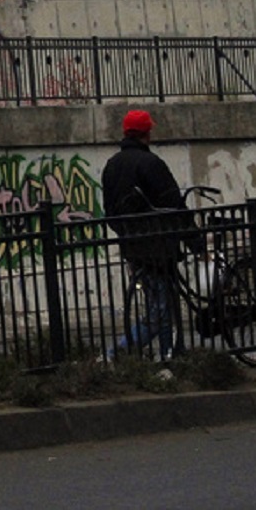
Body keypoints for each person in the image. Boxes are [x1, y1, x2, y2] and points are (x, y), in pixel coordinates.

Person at [102, 108, 187, 358]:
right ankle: (121, 353)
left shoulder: (112, 166)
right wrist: (194, 240)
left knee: (161, 305)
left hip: (133, 246)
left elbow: (110, 212)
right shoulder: (151, 164)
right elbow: (173, 203)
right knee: (161, 309)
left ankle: (172, 353)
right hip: (158, 246)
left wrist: (126, 233)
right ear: (147, 133)